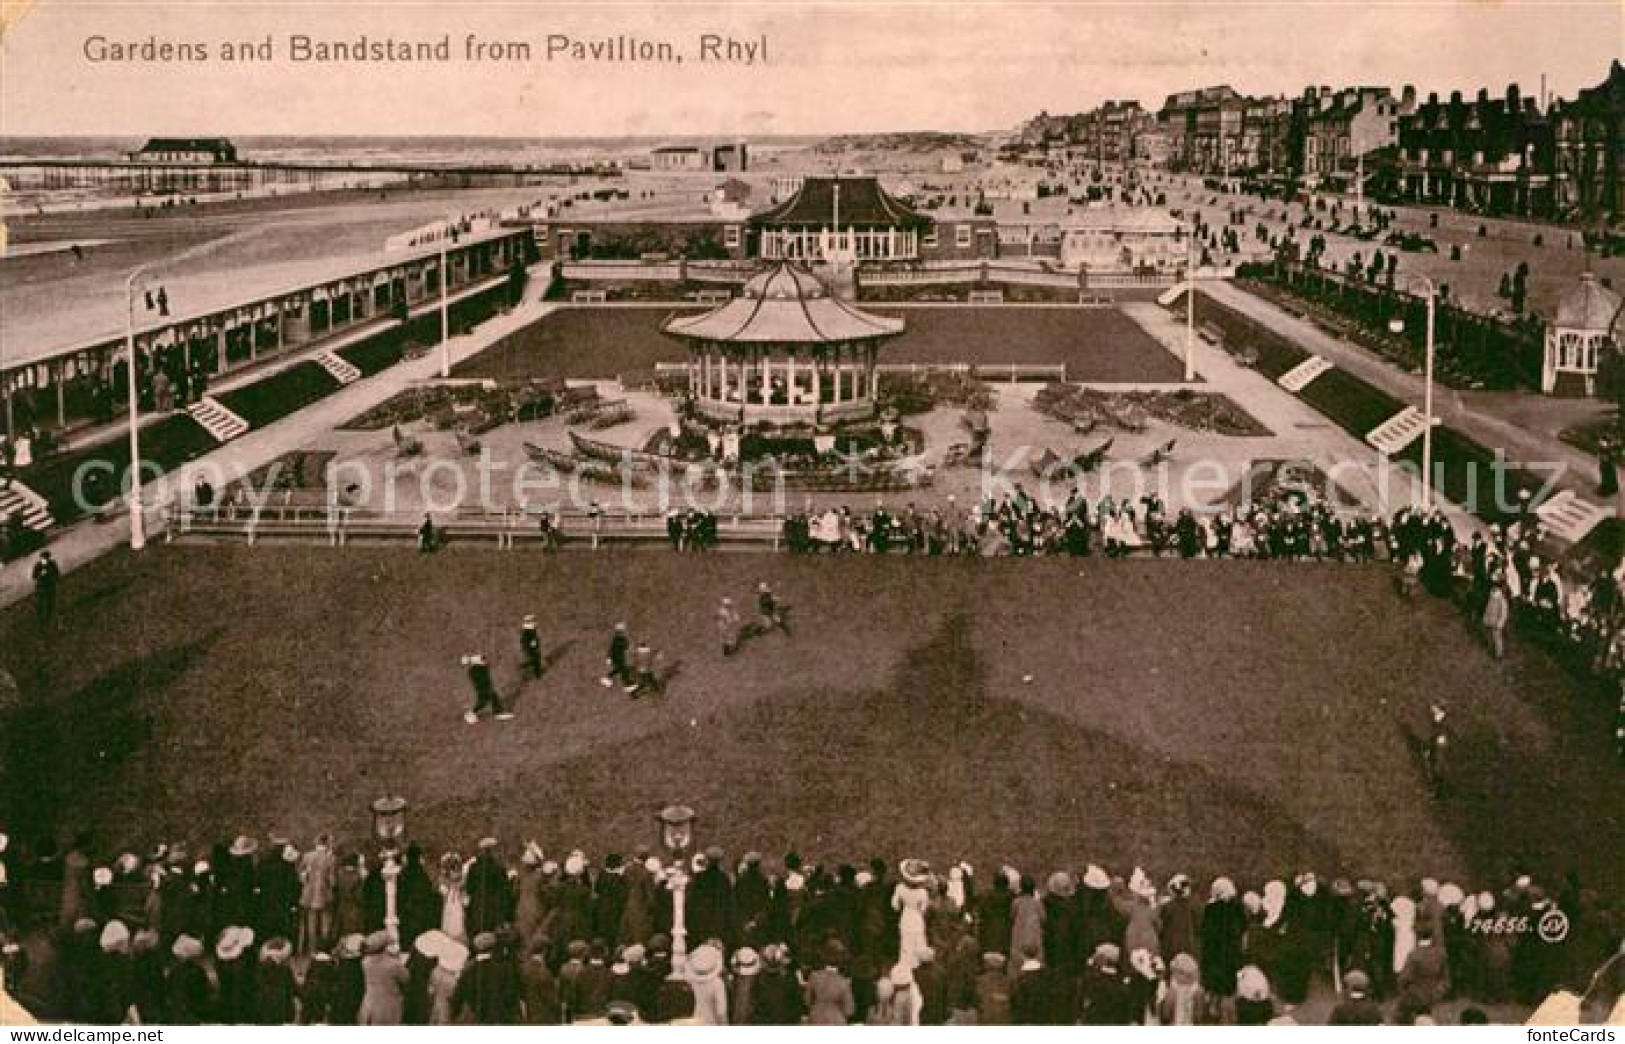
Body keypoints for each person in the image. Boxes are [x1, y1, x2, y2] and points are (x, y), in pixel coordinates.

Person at [462, 654, 512, 724]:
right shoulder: (476, 670)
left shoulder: (477, 669)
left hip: (484, 687)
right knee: (486, 700)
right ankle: (471, 714)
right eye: (482, 660)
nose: (484, 661)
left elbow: (487, 666)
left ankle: (498, 713)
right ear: (477, 662)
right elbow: (483, 674)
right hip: (483, 688)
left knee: (488, 699)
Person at [601, 623, 634, 692]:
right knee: (624, 670)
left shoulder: (616, 638)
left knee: (619, 669)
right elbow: (625, 647)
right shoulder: (620, 639)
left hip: (617, 658)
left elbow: (612, 648)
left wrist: (609, 657)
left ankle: (607, 678)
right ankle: (627, 685)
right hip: (619, 658)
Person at [32, 550, 60, 626]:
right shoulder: (38, 565)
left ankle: (50, 618)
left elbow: (57, 573)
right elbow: (34, 576)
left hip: (51, 586)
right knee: (42, 603)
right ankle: (42, 619)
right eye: (44, 558)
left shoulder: (52, 564)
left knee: (51, 602)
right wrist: (41, 574)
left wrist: (56, 581)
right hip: (42, 588)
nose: (45, 559)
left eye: (46, 558)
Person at [1483, 584, 1510, 660]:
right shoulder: (1491, 597)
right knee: (1490, 635)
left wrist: (1500, 623)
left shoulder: (1502, 601)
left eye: (1495, 589)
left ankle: (1499, 654)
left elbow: (1504, 614)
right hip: (1489, 620)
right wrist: (1485, 618)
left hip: (1496, 623)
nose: (1493, 590)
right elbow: (1488, 608)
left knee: (1497, 638)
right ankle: (1491, 646)